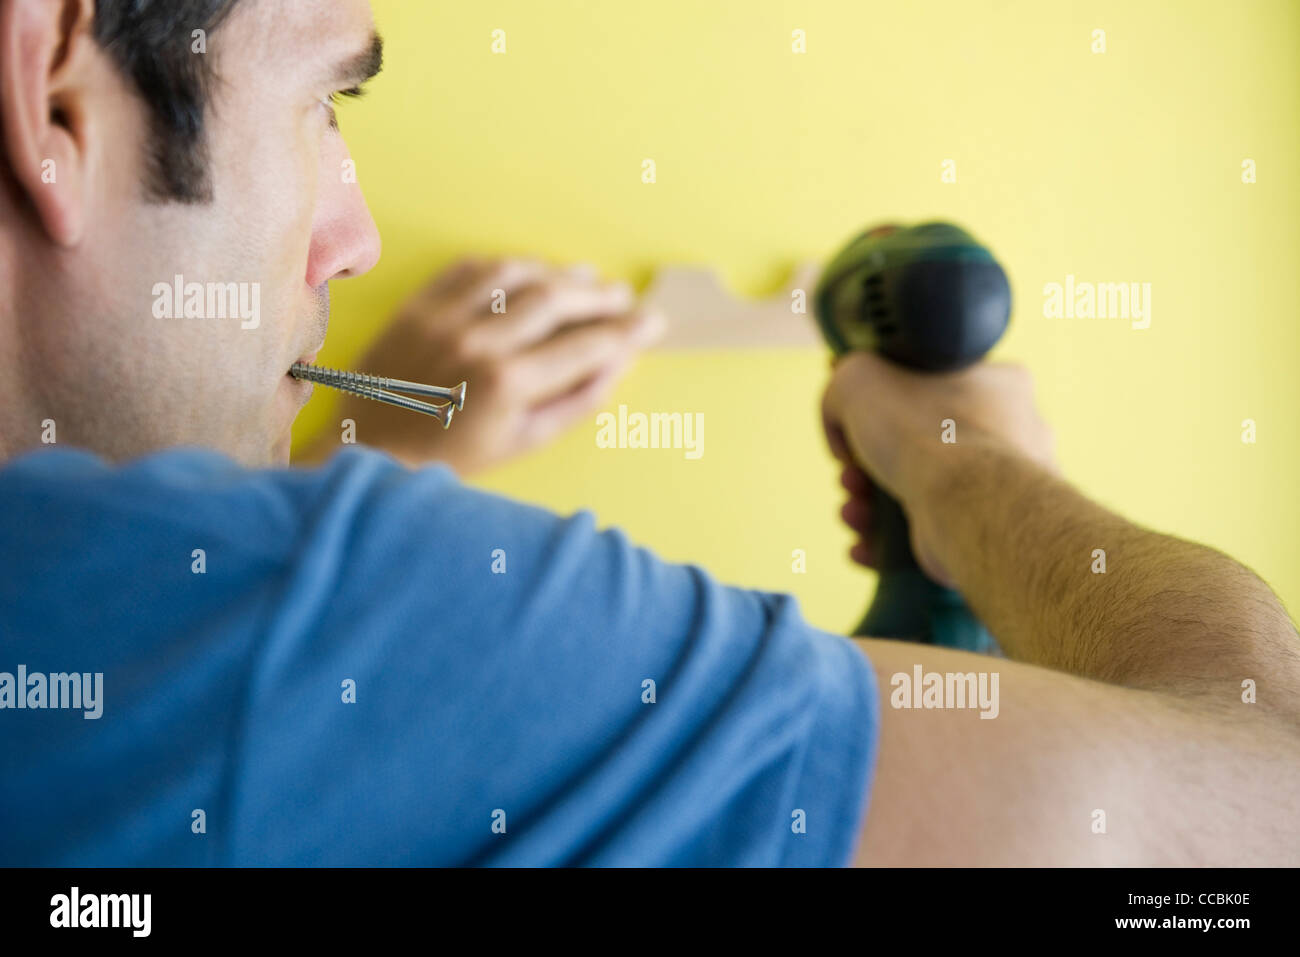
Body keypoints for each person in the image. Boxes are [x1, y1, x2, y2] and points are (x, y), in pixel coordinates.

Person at [1, 0, 1297, 867]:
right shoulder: (295, 625)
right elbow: (1263, 795)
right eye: (322, 103)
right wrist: (972, 467)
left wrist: (373, 466)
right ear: (54, 90)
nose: (359, 239)